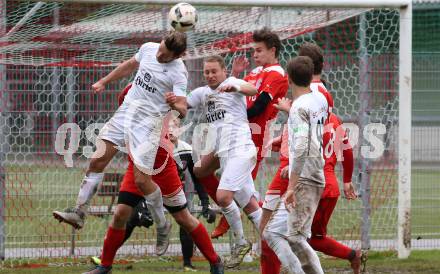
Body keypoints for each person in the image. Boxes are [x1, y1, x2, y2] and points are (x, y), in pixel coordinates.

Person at [53, 32, 190, 258]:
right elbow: (128, 65)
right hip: (126, 114)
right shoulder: (148, 47)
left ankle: (162, 224)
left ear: (177, 56)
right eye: (160, 49)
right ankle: (79, 212)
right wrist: (104, 81)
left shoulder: (179, 72)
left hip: (149, 126)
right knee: (97, 160)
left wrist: (175, 102)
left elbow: (183, 109)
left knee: (141, 181)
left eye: (165, 56)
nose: (159, 55)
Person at [88, 87, 217, 273]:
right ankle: (105, 265)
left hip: (163, 171)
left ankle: (215, 261)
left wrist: (173, 112)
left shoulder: (159, 106)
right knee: (120, 214)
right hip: (137, 170)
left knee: (184, 218)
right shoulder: (130, 112)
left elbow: (179, 114)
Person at [187, 55, 262, 268]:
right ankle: (282, 250)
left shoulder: (232, 83)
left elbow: (253, 90)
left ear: (223, 71)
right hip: (226, 155)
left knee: (223, 196)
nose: (210, 75)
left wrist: (235, 87)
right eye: (207, 72)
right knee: (252, 208)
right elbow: (183, 104)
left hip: (240, 150)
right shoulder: (203, 93)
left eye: (214, 71)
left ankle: (240, 242)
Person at [262, 56, 328, 274]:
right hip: (311, 171)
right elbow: (313, 137)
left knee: (295, 238)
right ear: (311, 77)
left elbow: (300, 147)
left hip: (305, 178)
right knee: (272, 233)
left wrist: (292, 184)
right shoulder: (320, 98)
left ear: (288, 79)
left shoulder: (298, 108)